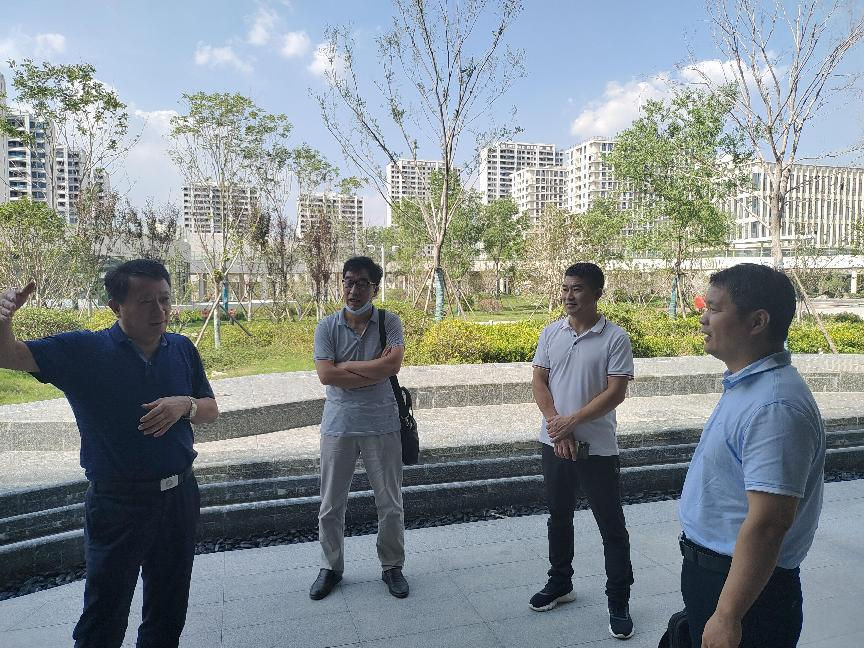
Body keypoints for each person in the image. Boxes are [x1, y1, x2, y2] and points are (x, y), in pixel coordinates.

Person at [0, 259, 219, 648]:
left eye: (165, 299)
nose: (160, 310)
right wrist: (4, 319)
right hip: (118, 503)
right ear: (116, 306)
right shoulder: (85, 350)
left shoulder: (182, 348)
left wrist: (184, 405)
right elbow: (10, 356)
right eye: (146, 301)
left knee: (169, 608)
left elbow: (210, 409)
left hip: (179, 496)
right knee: (104, 614)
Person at [678, 263, 825, 648]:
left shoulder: (775, 406)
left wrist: (727, 616)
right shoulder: (750, 387)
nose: (703, 319)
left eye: (714, 309)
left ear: (757, 321)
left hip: (748, 594)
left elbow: (768, 523)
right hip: (723, 577)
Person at [530, 262, 636, 640]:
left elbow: (615, 392)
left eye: (576, 289)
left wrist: (571, 422)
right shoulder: (551, 333)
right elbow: (539, 381)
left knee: (611, 526)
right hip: (554, 443)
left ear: (596, 294)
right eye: (565, 288)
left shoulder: (615, 338)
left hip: (598, 449)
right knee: (558, 517)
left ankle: (619, 601)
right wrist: (556, 425)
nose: (568, 295)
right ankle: (561, 582)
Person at [310, 255, 409, 600]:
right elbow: (326, 375)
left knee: (390, 502)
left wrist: (347, 368)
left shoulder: (389, 322)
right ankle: (330, 567)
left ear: (375, 288)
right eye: (348, 281)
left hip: (382, 423)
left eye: (362, 283)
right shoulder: (326, 327)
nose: (353, 290)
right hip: (338, 425)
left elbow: (393, 366)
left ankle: (392, 566)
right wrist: (374, 367)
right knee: (330, 504)